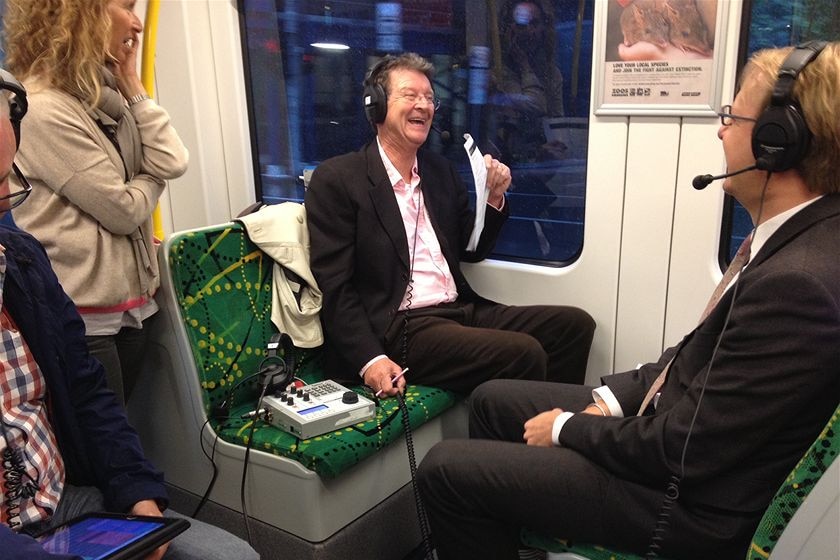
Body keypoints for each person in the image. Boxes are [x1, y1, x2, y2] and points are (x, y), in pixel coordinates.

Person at [417, 41, 840, 560]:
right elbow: (692, 357)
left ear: (781, 142)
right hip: (679, 444)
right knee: (491, 400)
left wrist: (570, 429)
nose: (721, 129)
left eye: (733, 115)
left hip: (682, 505)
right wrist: (613, 400)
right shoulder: (795, 240)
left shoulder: (799, 283)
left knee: (444, 471)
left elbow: (684, 447)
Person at [0, 69, 257, 559]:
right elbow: (123, 207)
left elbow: (88, 396)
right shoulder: (51, 111)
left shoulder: (23, 261)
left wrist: (138, 492)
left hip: (62, 502)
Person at [305, 52, 595, 397]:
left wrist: (493, 199)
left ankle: (555, 432)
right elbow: (335, 285)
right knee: (523, 353)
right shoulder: (339, 179)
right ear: (377, 107)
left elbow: (472, 249)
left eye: (429, 98)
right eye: (410, 95)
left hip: (457, 310)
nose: (424, 106)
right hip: (396, 326)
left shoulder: (439, 171)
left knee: (573, 326)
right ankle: (519, 444)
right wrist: (371, 360)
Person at [3, 0, 189, 406]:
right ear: (82, 14)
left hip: (129, 306)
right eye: (126, 6)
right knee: (102, 449)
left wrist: (132, 83)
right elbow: (122, 211)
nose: (137, 22)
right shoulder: (43, 108)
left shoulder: (104, 99)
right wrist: (151, 177)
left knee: (125, 434)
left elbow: (173, 158)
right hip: (84, 317)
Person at [490, 0, 565, 163]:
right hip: (508, 162)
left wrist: (552, 147)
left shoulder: (552, 74)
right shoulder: (498, 73)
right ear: (509, 30)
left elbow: (557, 122)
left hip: (545, 164)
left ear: (543, 29)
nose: (529, 31)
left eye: (535, 24)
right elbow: (535, 106)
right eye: (522, 25)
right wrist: (524, 66)